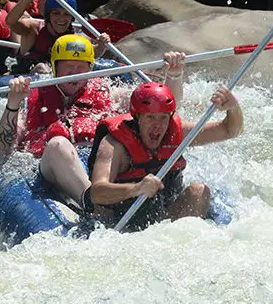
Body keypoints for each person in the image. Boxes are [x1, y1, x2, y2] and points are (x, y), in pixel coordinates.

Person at [0, 34, 185, 212]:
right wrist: (13, 102)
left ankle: (101, 200)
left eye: (81, 67)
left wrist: (174, 75)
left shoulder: (106, 92)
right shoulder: (33, 98)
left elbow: (159, 106)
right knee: (57, 145)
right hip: (54, 164)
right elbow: (5, 148)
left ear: (90, 69)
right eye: (68, 66)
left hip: (97, 161)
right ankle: (94, 206)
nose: (75, 72)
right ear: (55, 67)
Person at [87, 81, 243, 232]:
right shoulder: (115, 145)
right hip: (121, 224)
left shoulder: (177, 132)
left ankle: (182, 242)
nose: (158, 125)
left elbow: (229, 130)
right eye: (150, 117)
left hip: (164, 221)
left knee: (198, 192)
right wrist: (135, 188)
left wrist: (233, 108)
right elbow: (96, 192)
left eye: (163, 117)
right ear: (138, 117)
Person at [5, 0, 109, 75]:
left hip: (57, 81)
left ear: (72, 18)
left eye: (66, 14)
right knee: (41, 68)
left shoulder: (73, 37)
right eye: (56, 13)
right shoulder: (33, 29)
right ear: (48, 15)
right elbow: (10, 21)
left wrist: (101, 45)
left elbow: (93, 53)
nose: (61, 19)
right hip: (25, 76)